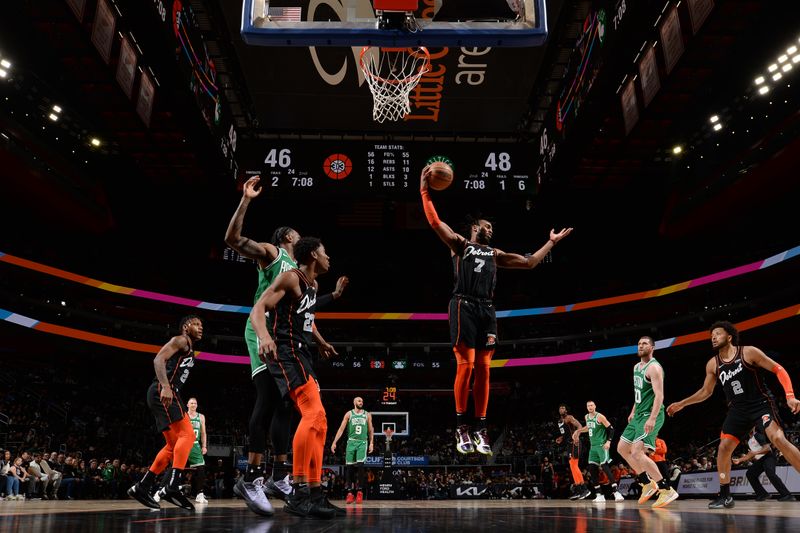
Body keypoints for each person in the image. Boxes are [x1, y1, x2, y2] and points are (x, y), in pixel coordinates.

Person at [420, 166, 572, 455]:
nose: (491, 230)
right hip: (463, 303)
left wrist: (550, 243)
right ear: (475, 228)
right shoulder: (459, 244)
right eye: (487, 226)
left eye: (492, 228)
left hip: (487, 309)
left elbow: (529, 264)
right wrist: (424, 190)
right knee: (465, 365)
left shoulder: (495, 254)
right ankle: (461, 426)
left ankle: (480, 427)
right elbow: (435, 221)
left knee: (485, 369)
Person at [225, 175, 348, 514]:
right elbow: (233, 239)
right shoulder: (275, 254)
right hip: (265, 333)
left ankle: (285, 477)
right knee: (269, 400)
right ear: (290, 239)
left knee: (287, 408)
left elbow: (305, 316)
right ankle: (252, 476)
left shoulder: (304, 277)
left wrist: (320, 340)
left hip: (291, 337)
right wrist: (247, 199)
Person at [250, 236, 340, 519]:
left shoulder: (313, 286)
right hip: (287, 352)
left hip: (304, 354)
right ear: (314, 254)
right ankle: (299, 492)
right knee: (312, 415)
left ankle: (314, 493)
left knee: (321, 422)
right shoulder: (291, 278)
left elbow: (307, 320)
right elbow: (258, 309)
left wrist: (322, 343)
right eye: (325, 252)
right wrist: (264, 336)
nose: (329, 258)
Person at [667, 321, 800, 509]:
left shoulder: (748, 352)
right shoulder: (713, 364)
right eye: (712, 335)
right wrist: (682, 404)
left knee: (777, 438)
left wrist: (790, 396)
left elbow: (778, 369)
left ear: (729, 337)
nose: (713, 337)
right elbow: (706, 392)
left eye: (718, 333)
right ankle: (725, 495)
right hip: (738, 410)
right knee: (723, 449)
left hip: (760, 404)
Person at [127, 315, 204, 511]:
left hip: (163, 393)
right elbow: (158, 359)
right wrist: (165, 386)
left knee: (172, 446)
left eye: (202, 325)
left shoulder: (190, 347)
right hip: (165, 391)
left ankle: (142, 487)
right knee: (188, 434)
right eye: (196, 324)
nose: (200, 327)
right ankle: (171, 486)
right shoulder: (180, 340)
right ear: (186, 327)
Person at [617, 336, 678, 508]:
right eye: (639, 343)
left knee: (637, 452)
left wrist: (652, 418)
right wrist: (633, 411)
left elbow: (659, 395)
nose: (641, 346)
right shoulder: (637, 366)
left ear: (652, 348)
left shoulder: (655, 368)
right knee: (622, 448)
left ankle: (666, 489)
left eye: (645, 343)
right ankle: (647, 483)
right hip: (638, 415)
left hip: (651, 415)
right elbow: (639, 394)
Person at [573, 401, 624, 502]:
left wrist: (608, 442)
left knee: (605, 466)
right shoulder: (587, 417)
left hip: (601, 445)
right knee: (592, 468)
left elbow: (611, 429)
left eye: (592, 405)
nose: (590, 407)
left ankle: (616, 492)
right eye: (588, 406)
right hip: (593, 447)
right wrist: (578, 431)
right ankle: (599, 494)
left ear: (595, 406)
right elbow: (589, 427)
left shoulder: (600, 416)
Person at [330, 396, 375, 504]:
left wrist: (372, 443)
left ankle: (359, 492)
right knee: (349, 468)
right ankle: (350, 493)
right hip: (351, 442)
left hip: (362, 442)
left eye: (362, 401)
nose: (361, 402)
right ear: (354, 402)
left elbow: (370, 429)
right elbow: (341, 429)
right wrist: (334, 442)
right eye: (359, 400)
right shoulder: (349, 414)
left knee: (360, 466)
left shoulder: (367, 414)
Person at [733, 426, 795, 502]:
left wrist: (755, 453)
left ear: (753, 428)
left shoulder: (758, 435)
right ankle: (762, 494)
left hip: (769, 456)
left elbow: (767, 448)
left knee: (770, 473)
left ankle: (787, 495)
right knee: (750, 474)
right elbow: (751, 454)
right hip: (761, 459)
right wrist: (739, 460)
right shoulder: (749, 440)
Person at [556, 404, 590, 500]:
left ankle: (584, 489)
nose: (561, 409)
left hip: (575, 443)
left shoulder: (569, 417)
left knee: (574, 465)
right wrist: (561, 438)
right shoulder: (559, 421)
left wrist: (577, 435)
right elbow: (565, 433)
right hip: (569, 444)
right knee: (572, 466)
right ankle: (579, 490)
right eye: (560, 408)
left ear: (566, 410)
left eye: (563, 408)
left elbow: (579, 425)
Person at [186, 398, 208, 504]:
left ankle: (199, 494)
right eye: (191, 403)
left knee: (201, 469)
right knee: (175, 468)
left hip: (195, 445)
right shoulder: (184, 415)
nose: (193, 404)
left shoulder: (201, 417)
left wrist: (204, 446)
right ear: (187, 405)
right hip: (184, 443)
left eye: (195, 403)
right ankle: (161, 491)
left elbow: (203, 433)